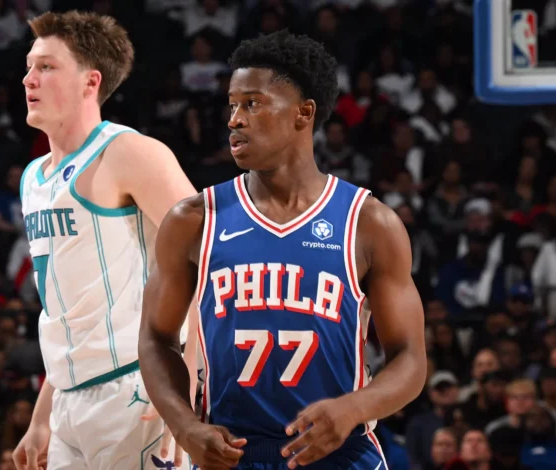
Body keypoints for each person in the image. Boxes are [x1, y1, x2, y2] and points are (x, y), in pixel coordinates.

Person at [139, 30, 426, 469]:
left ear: (303, 113)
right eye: (232, 105)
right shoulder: (194, 219)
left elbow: (410, 358)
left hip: (338, 453)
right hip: (233, 454)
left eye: (252, 103)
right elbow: (156, 339)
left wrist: (354, 408)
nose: (235, 120)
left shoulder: (368, 223)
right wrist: (184, 426)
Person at [13, 10, 198, 470]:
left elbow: (211, 261)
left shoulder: (130, 153)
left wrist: (189, 385)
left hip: (137, 388)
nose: (28, 79)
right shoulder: (33, 178)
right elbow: (68, 312)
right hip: (68, 402)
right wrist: (41, 417)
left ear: (90, 81)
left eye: (46, 67)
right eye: (29, 66)